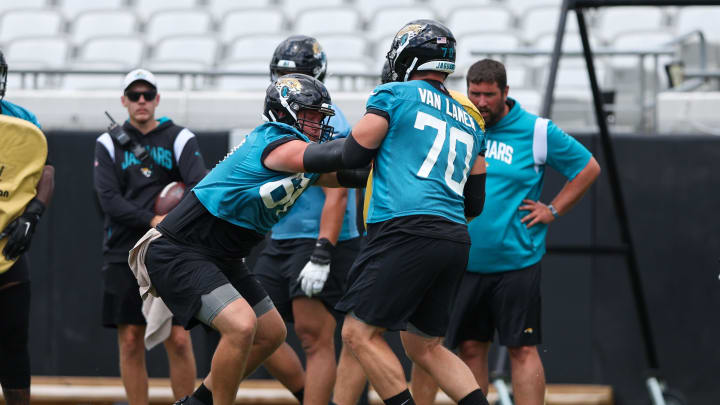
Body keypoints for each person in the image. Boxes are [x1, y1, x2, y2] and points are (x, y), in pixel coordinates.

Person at [130, 73, 368, 405]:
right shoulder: (274, 142)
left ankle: (198, 401)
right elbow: (333, 157)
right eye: (310, 114)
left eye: (319, 116)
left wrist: (395, 166)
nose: (317, 123)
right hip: (180, 248)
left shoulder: (295, 153)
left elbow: (347, 175)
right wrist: (376, 140)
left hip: (221, 255)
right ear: (283, 113)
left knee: (271, 333)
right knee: (241, 327)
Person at [301, 20, 490, 405]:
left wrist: (294, 163)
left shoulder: (396, 94)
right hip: (454, 236)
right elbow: (475, 203)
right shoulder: (471, 119)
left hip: (404, 229)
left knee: (357, 334)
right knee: (426, 348)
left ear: (410, 55)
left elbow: (353, 154)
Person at [411, 58, 601, 405]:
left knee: (523, 349)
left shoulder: (536, 130)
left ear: (505, 92)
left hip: (516, 263)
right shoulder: (459, 122)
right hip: (465, 261)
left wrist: (552, 209)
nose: (481, 102)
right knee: (469, 347)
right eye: (474, 93)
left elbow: (588, 167)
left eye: (488, 94)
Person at [252, 35, 361, 405]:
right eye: (285, 74)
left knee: (314, 337)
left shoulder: (330, 118)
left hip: (316, 237)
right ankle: (307, 395)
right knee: (253, 328)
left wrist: (322, 251)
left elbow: (338, 190)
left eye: (298, 74)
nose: (291, 82)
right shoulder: (276, 120)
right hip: (281, 236)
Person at [93, 69, 206, 405]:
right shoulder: (108, 143)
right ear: (124, 101)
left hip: (170, 250)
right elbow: (108, 200)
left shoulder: (180, 137)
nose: (141, 101)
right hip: (123, 250)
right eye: (134, 95)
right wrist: (152, 218)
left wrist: (167, 224)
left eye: (147, 94)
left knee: (179, 339)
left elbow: (198, 187)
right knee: (130, 338)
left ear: (157, 99)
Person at [0, 49, 54, 405]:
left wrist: (32, 215)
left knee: (13, 343)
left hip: (7, 250)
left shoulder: (21, 119)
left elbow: (44, 173)